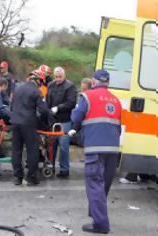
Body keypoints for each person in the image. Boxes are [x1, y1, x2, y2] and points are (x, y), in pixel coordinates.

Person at [70, 69, 122, 234]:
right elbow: (118, 125)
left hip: (95, 148)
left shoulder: (87, 96)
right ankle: (95, 213)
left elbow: (76, 117)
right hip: (113, 148)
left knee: (94, 184)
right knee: (103, 184)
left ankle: (101, 224)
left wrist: (76, 129)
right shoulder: (116, 100)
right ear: (108, 83)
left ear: (93, 82)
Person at [11, 69, 50, 186]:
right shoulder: (36, 92)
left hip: (15, 122)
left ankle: (18, 177)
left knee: (16, 151)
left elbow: (11, 105)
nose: (41, 84)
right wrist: (49, 117)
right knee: (32, 150)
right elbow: (44, 110)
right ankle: (31, 177)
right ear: (38, 80)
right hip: (28, 124)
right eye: (41, 82)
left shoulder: (17, 88)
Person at [46, 67, 77, 178]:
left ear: (64, 76)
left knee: (64, 145)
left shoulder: (70, 86)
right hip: (52, 120)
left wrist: (58, 108)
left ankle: (64, 169)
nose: (58, 79)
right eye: (56, 77)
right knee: (51, 145)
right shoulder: (50, 85)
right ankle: (50, 167)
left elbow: (71, 102)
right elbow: (47, 99)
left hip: (64, 120)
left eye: (60, 77)